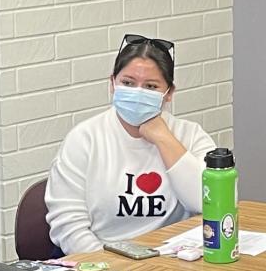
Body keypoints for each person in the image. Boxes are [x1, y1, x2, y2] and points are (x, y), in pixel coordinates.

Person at [44, 35, 218, 256]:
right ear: (112, 84)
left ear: (169, 93)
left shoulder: (190, 135)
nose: (137, 92)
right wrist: (109, 269)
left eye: (151, 86)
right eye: (128, 83)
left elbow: (211, 204)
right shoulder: (84, 139)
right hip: (102, 261)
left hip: (171, 259)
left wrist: (164, 139)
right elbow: (68, 226)